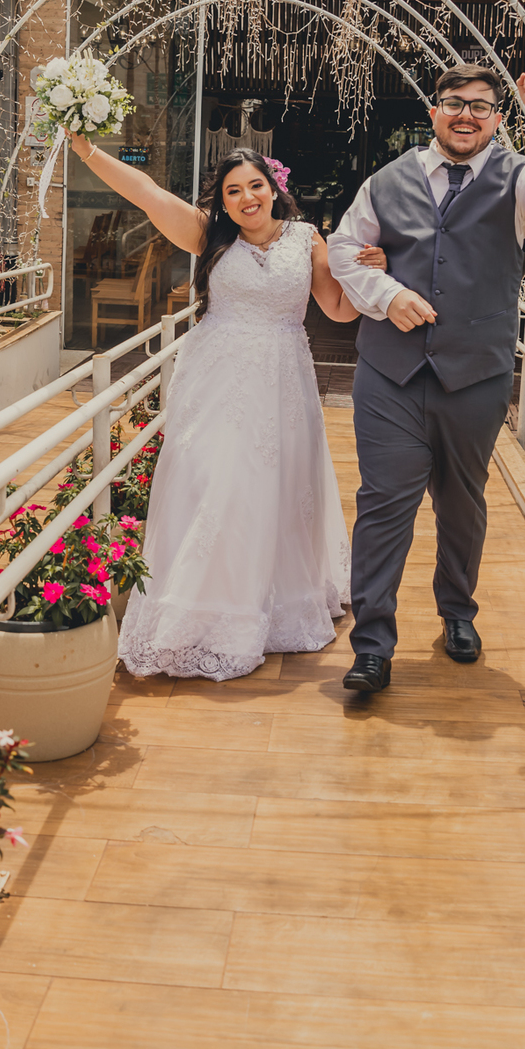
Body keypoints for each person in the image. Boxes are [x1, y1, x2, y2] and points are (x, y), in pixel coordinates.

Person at [327, 66, 525, 694]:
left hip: (474, 373)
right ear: (434, 112)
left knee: (461, 502)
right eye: (454, 103)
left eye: (481, 106)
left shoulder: (523, 180)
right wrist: (386, 292)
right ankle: (371, 645)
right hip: (389, 374)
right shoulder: (385, 180)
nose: (466, 115)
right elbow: (344, 249)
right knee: (383, 504)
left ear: (498, 118)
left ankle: (457, 612)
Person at [67, 134, 382, 682]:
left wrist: (367, 271)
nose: (245, 198)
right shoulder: (207, 234)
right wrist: (88, 151)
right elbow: (145, 192)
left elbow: (337, 309)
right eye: (233, 191)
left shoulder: (309, 239)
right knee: (211, 482)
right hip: (215, 380)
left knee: (275, 486)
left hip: (284, 379)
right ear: (223, 200)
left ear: (274, 188)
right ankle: (197, 610)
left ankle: (267, 603)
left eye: (254, 186)